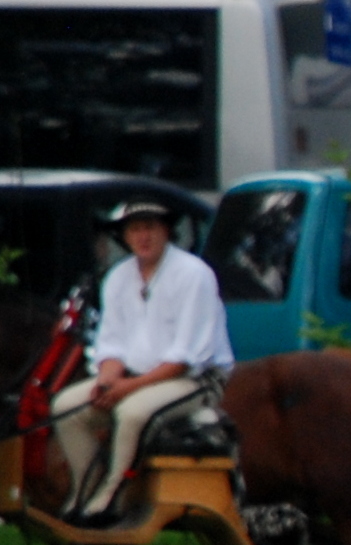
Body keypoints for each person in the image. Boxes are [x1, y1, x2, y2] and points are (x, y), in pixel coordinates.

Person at [50, 197, 231, 520]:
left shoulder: (194, 274)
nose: (142, 236)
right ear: (124, 236)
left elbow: (184, 359)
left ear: (166, 231)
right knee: (66, 407)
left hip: (195, 381)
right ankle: (84, 491)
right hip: (134, 378)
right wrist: (108, 378)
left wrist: (128, 387)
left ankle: (113, 500)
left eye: (150, 227)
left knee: (132, 412)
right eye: (134, 230)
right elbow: (111, 343)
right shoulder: (118, 277)